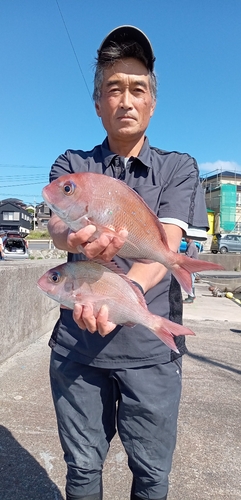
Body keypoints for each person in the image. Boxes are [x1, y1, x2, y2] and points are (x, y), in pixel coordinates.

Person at [47, 25, 209, 500]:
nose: (126, 100)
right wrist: (69, 233)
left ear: (152, 103)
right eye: (113, 89)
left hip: (151, 351)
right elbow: (59, 228)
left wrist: (122, 297)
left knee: (152, 476)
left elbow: (169, 246)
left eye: (138, 88)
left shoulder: (179, 168)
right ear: (97, 103)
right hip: (78, 346)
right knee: (81, 472)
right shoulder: (72, 164)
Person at [183, 237, 199, 304]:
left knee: (190, 282)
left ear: (188, 238)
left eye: (185, 238)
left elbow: (188, 256)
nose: (184, 239)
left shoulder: (191, 246)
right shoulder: (191, 245)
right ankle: (192, 296)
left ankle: (190, 298)